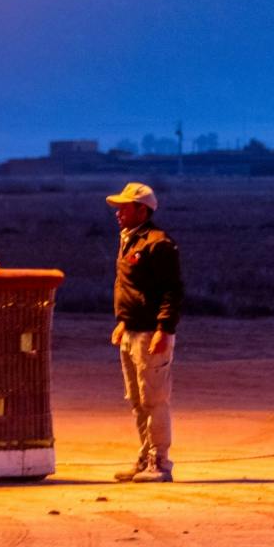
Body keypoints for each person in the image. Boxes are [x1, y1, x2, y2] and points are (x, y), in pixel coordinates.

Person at [107, 181, 183, 482]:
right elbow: (132, 288)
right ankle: (144, 456)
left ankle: (160, 463)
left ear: (142, 209)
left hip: (151, 333)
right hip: (132, 331)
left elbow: (171, 291)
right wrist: (123, 321)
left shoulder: (157, 243)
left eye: (124, 207)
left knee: (155, 399)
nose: (118, 213)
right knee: (137, 400)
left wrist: (164, 329)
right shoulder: (129, 240)